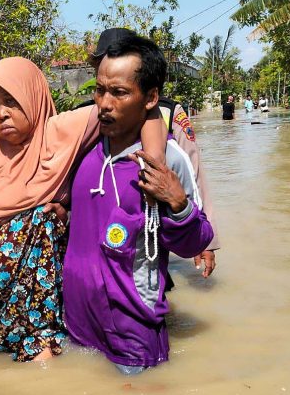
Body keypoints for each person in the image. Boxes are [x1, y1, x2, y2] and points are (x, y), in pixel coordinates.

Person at [0, 57, 166, 362]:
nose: (1, 114)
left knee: (43, 365)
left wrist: (153, 163)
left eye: (10, 102)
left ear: (32, 96)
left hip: (42, 308)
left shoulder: (62, 133)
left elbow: (141, 111)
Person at [62, 35, 214, 374]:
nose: (104, 103)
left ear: (150, 98)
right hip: (78, 324)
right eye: (100, 90)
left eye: (119, 92)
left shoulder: (167, 161)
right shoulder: (84, 147)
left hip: (133, 334)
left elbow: (198, 239)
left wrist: (178, 204)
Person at [85, 28, 220, 277]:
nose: (105, 100)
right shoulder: (89, 116)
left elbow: (193, 170)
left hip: (147, 243)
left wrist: (206, 242)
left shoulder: (168, 112)